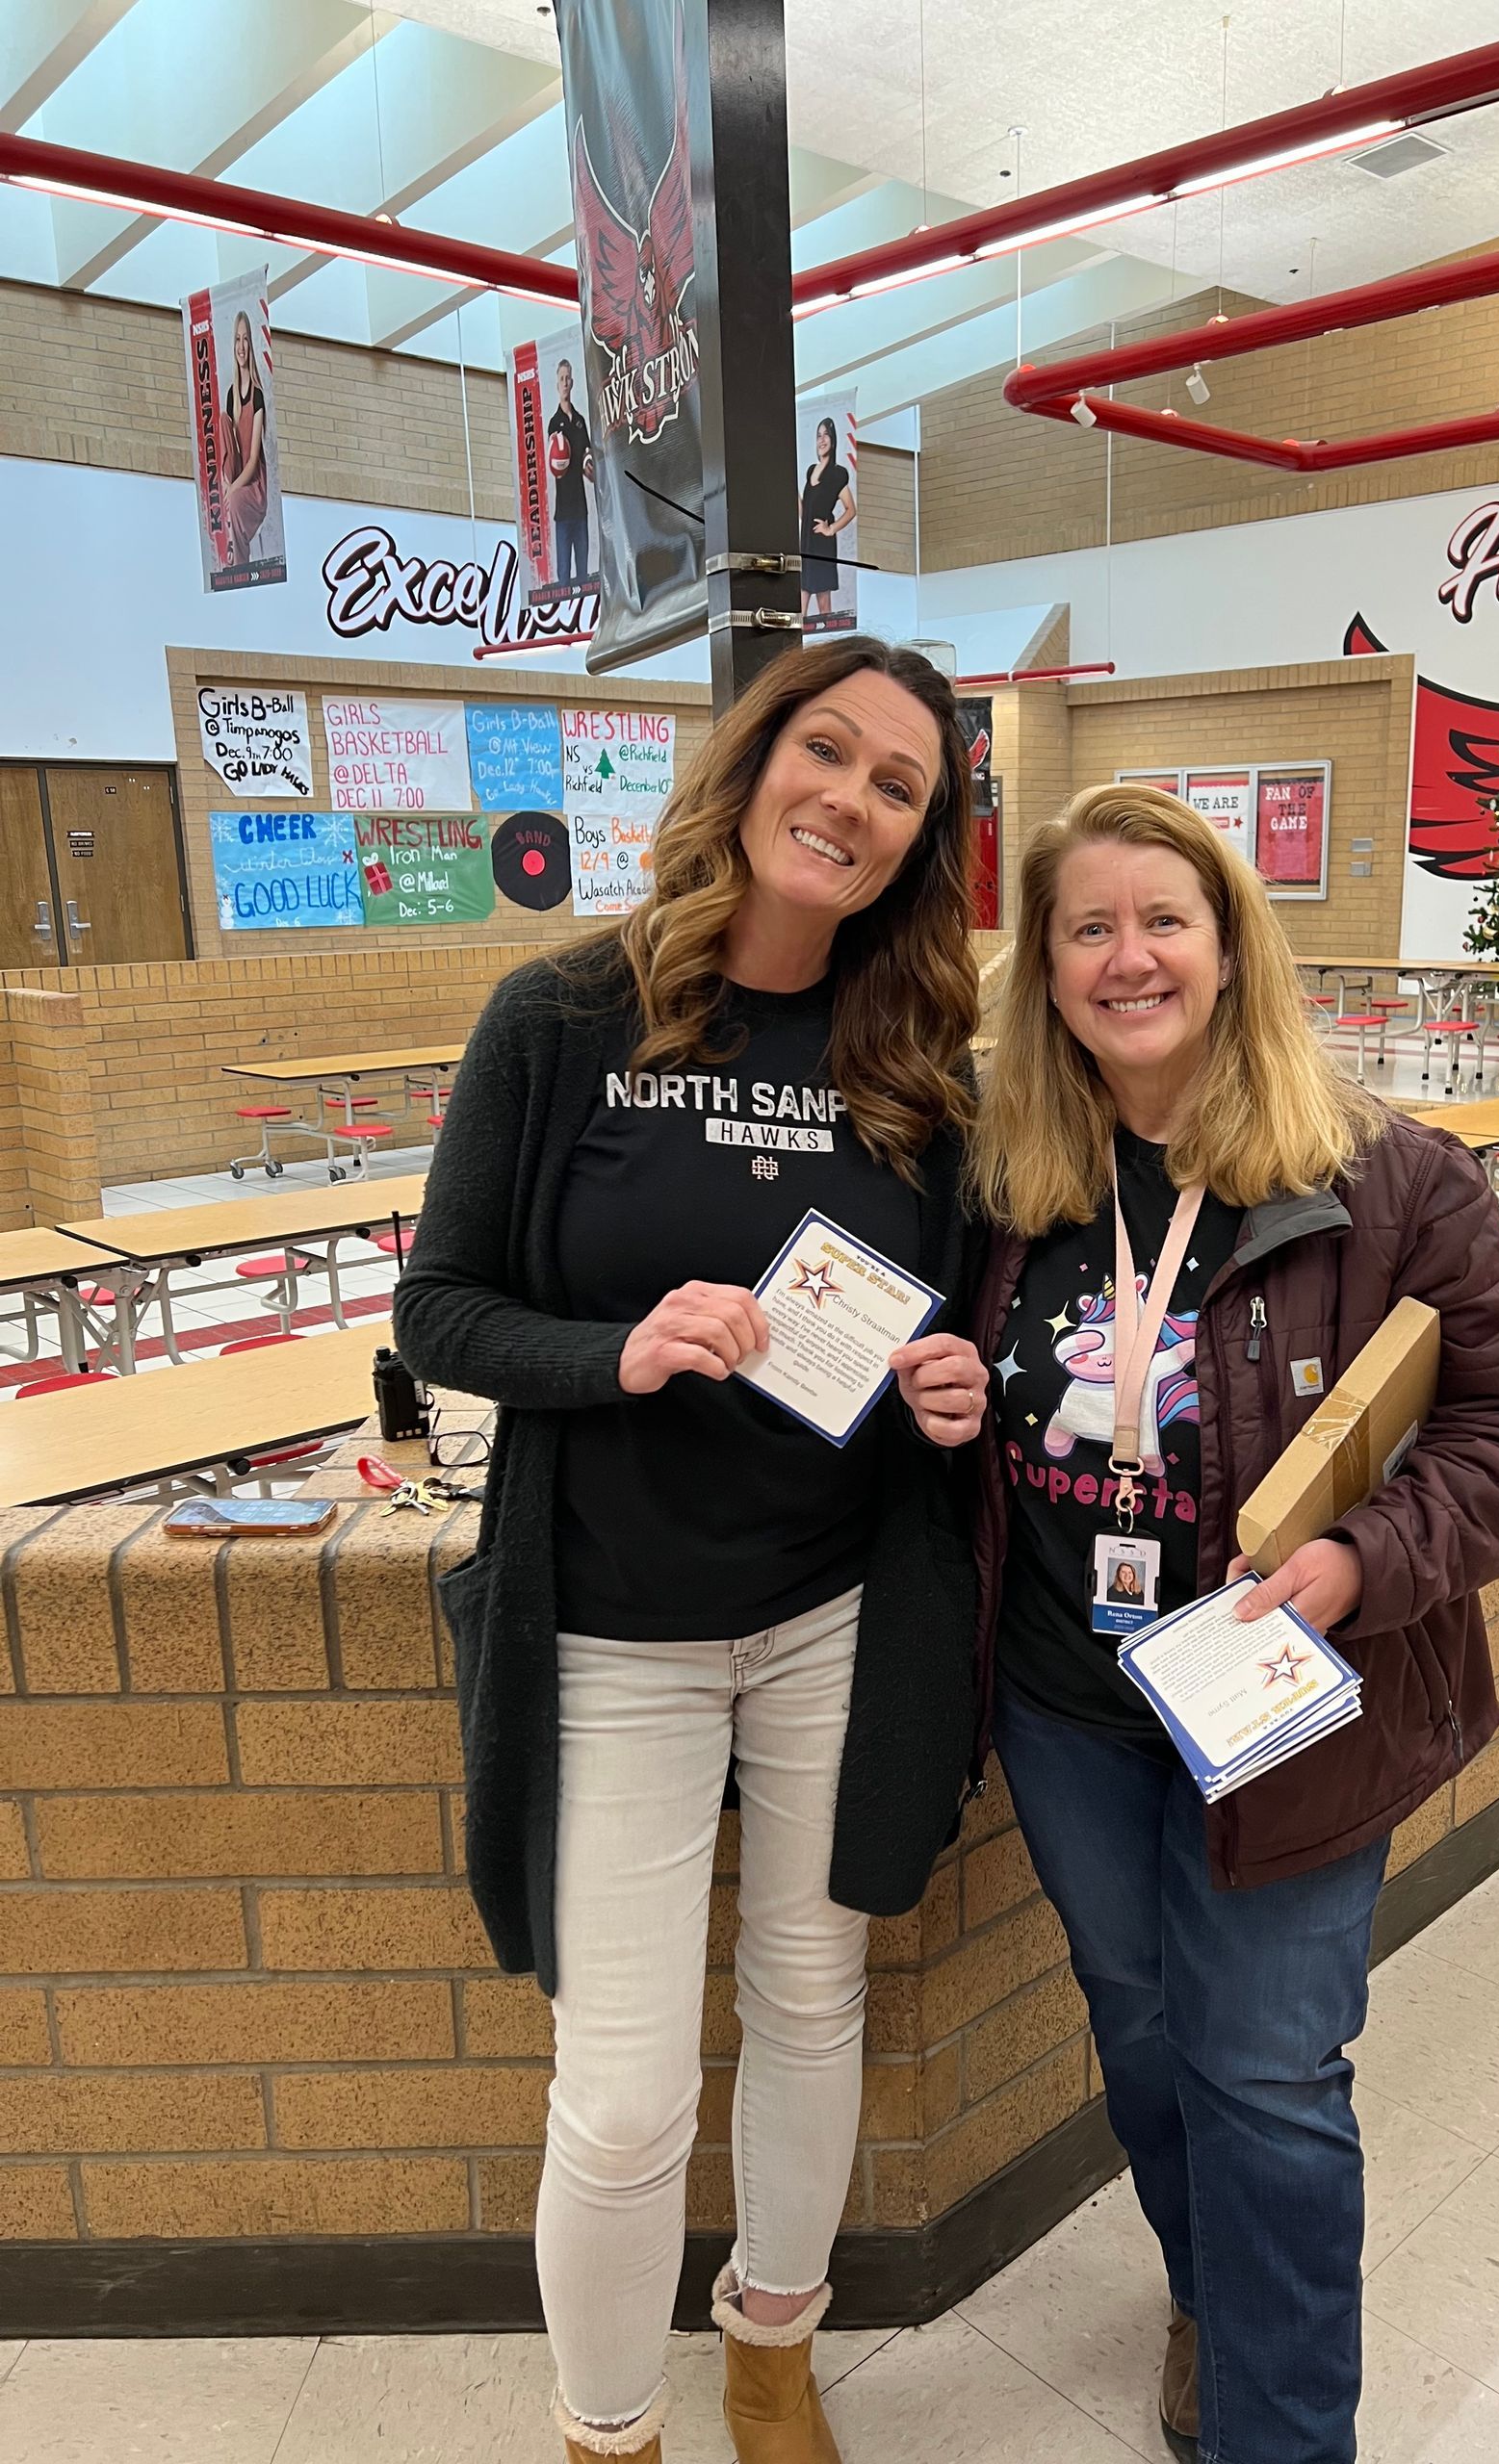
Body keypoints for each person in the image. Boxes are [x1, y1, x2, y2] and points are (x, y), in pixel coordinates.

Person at [395, 636, 991, 2464]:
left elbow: (939, 1326)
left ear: (921, 841)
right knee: (626, 2095)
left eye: (902, 786)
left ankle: (771, 2349)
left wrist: (950, 1381)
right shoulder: (564, 1017)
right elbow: (439, 1312)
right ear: (751, 765)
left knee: (815, 2008)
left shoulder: (919, 1059)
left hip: (829, 1613)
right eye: (829, 751)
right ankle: (609, 2430)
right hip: (612, 1637)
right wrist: (616, 1351)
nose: (855, 800)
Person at [968, 783, 1499, 2464]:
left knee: (1269, 2076)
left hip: (1289, 1698)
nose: (1126, 955)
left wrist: (1361, 1563)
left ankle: (1284, 2438)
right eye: (1086, 927)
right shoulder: (1012, 1177)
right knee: (1142, 2030)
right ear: (1047, 971)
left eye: (1164, 919)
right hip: (1067, 1700)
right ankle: (1205, 2289)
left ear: (1232, 949)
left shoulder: (1388, 1182)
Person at [220, 308, 269, 568]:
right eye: (237, 339)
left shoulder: (257, 395)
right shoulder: (231, 395)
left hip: (253, 480)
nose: (241, 346)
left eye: (246, 338)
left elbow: (252, 460)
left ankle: (239, 564)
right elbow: (231, 448)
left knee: (236, 501)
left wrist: (234, 488)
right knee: (221, 420)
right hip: (236, 470)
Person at [799, 418, 855, 628]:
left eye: (826, 435)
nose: (821, 440)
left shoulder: (837, 474)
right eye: (818, 436)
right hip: (806, 543)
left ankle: (826, 646)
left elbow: (851, 509)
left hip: (822, 545)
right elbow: (805, 513)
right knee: (801, 602)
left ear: (833, 440)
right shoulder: (810, 470)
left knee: (823, 603)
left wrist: (830, 529)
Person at [548, 359, 595, 590]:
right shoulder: (554, 423)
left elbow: (588, 454)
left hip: (580, 508)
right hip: (563, 511)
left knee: (584, 575)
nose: (565, 383)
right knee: (564, 578)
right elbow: (553, 460)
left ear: (572, 383)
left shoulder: (580, 422)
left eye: (568, 378)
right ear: (557, 385)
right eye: (561, 379)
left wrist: (590, 468)